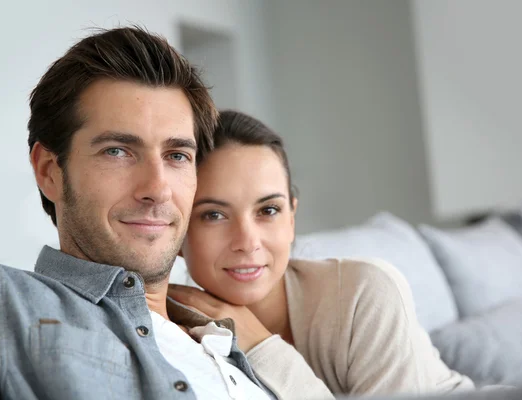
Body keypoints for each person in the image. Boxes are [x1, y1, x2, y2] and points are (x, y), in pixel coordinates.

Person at [0, 27, 280, 400]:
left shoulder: (232, 346)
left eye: (176, 156)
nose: (156, 189)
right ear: (49, 171)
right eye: (117, 151)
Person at [171, 110, 477, 398]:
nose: (248, 242)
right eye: (213, 215)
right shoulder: (169, 326)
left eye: (268, 210)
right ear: (178, 233)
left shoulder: (364, 293)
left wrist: (261, 347)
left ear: (291, 218)